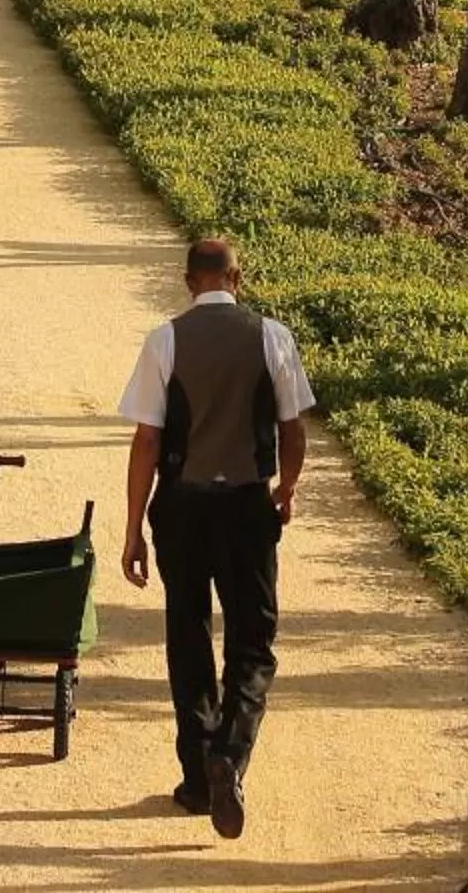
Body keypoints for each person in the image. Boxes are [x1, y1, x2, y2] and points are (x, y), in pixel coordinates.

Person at [118, 234, 315, 840]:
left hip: (180, 505)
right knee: (253, 641)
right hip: (246, 506)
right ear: (238, 278)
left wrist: (133, 531)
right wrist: (285, 489)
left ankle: (198, 779)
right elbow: (293, 427)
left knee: (188, 631)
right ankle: (231, 750)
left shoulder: (164, 339)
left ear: (188, 281)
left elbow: (147, 441)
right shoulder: (273, 337)